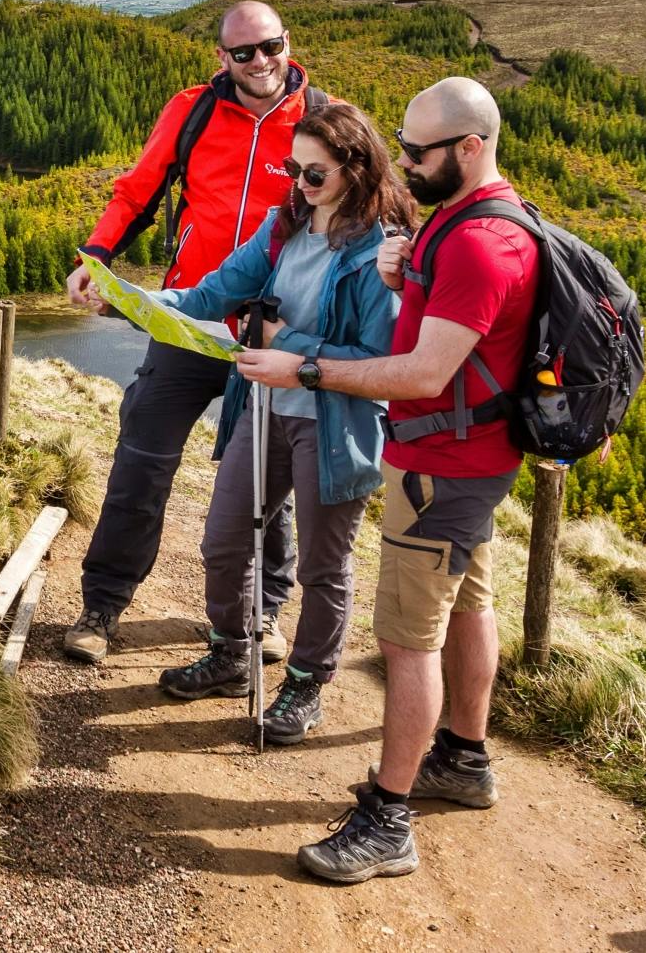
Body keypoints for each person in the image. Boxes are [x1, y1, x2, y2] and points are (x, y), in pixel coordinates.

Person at [237, 77, 538, 883]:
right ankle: (463, 760)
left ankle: (387, 817)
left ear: (470, 147)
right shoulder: (479, 219)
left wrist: (305, 368)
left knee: (407, 643)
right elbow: (458, 339)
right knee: (469, 607)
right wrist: (408, 282)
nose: (401, 163)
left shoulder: (477, 240)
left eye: (417, 150)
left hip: (439, 470)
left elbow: (420, 375)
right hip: (473, 465)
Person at [62, 0, 330, 663]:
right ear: (221, 58)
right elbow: (137, 190)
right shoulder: (193, 110)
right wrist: (94, 259)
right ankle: (101, 605)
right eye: (243, 52)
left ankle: (262, 615)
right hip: (192, 318)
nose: (260, 61)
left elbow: (359, 214)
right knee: (142, 455)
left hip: (273, 333)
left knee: (269, 479)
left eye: (269, 45)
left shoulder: (321, 118)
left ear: (285, 42)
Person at [144, 103, 412, 743]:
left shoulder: (383, 252)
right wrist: (130, 300)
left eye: (314, 174)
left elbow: (381, 360)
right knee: (225, 540)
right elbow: (212, 294)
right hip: (262, 408)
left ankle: (305, 684)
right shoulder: (281, 226)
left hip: (335, 423)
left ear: (356, 167)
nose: (300, 184)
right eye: (292, 169)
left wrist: (289, 344)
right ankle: (232, 655)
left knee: (325, 564)